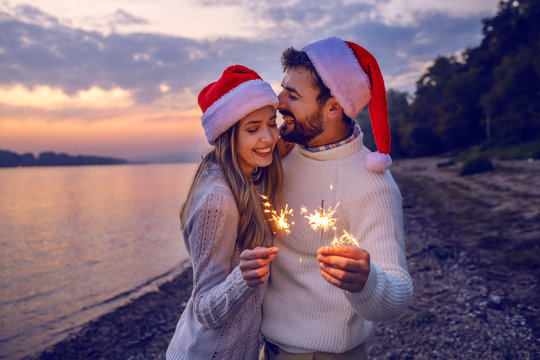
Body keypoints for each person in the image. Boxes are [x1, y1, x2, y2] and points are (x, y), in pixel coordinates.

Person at [260, 37, 414, 359]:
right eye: (283, 88)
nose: (278, 101)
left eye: (293, 94)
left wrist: (367, 281)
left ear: (333, 106)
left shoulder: (372, 184)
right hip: (269, 348)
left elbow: (399, 295)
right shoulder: (284, 155)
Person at [165, 65, 283, 360]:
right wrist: (242, 278)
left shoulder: (246, 176)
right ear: (228, 134)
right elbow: (204, 308)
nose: (268, 137)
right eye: (253, 129)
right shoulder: (218, 200)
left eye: (272, 123)